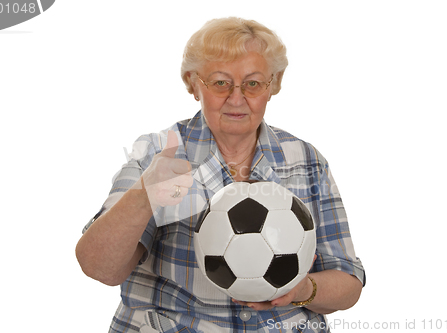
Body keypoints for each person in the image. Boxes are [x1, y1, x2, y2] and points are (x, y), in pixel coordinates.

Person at [76, 17, 365, 333]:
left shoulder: (307, 161)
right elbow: (99, 268)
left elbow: (348, 281)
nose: (237, 98)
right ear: (192, 82)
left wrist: (302, 290)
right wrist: (144, 194)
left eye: (253, 83)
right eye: (220, 82)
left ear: (275, 83)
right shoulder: (157, 154)